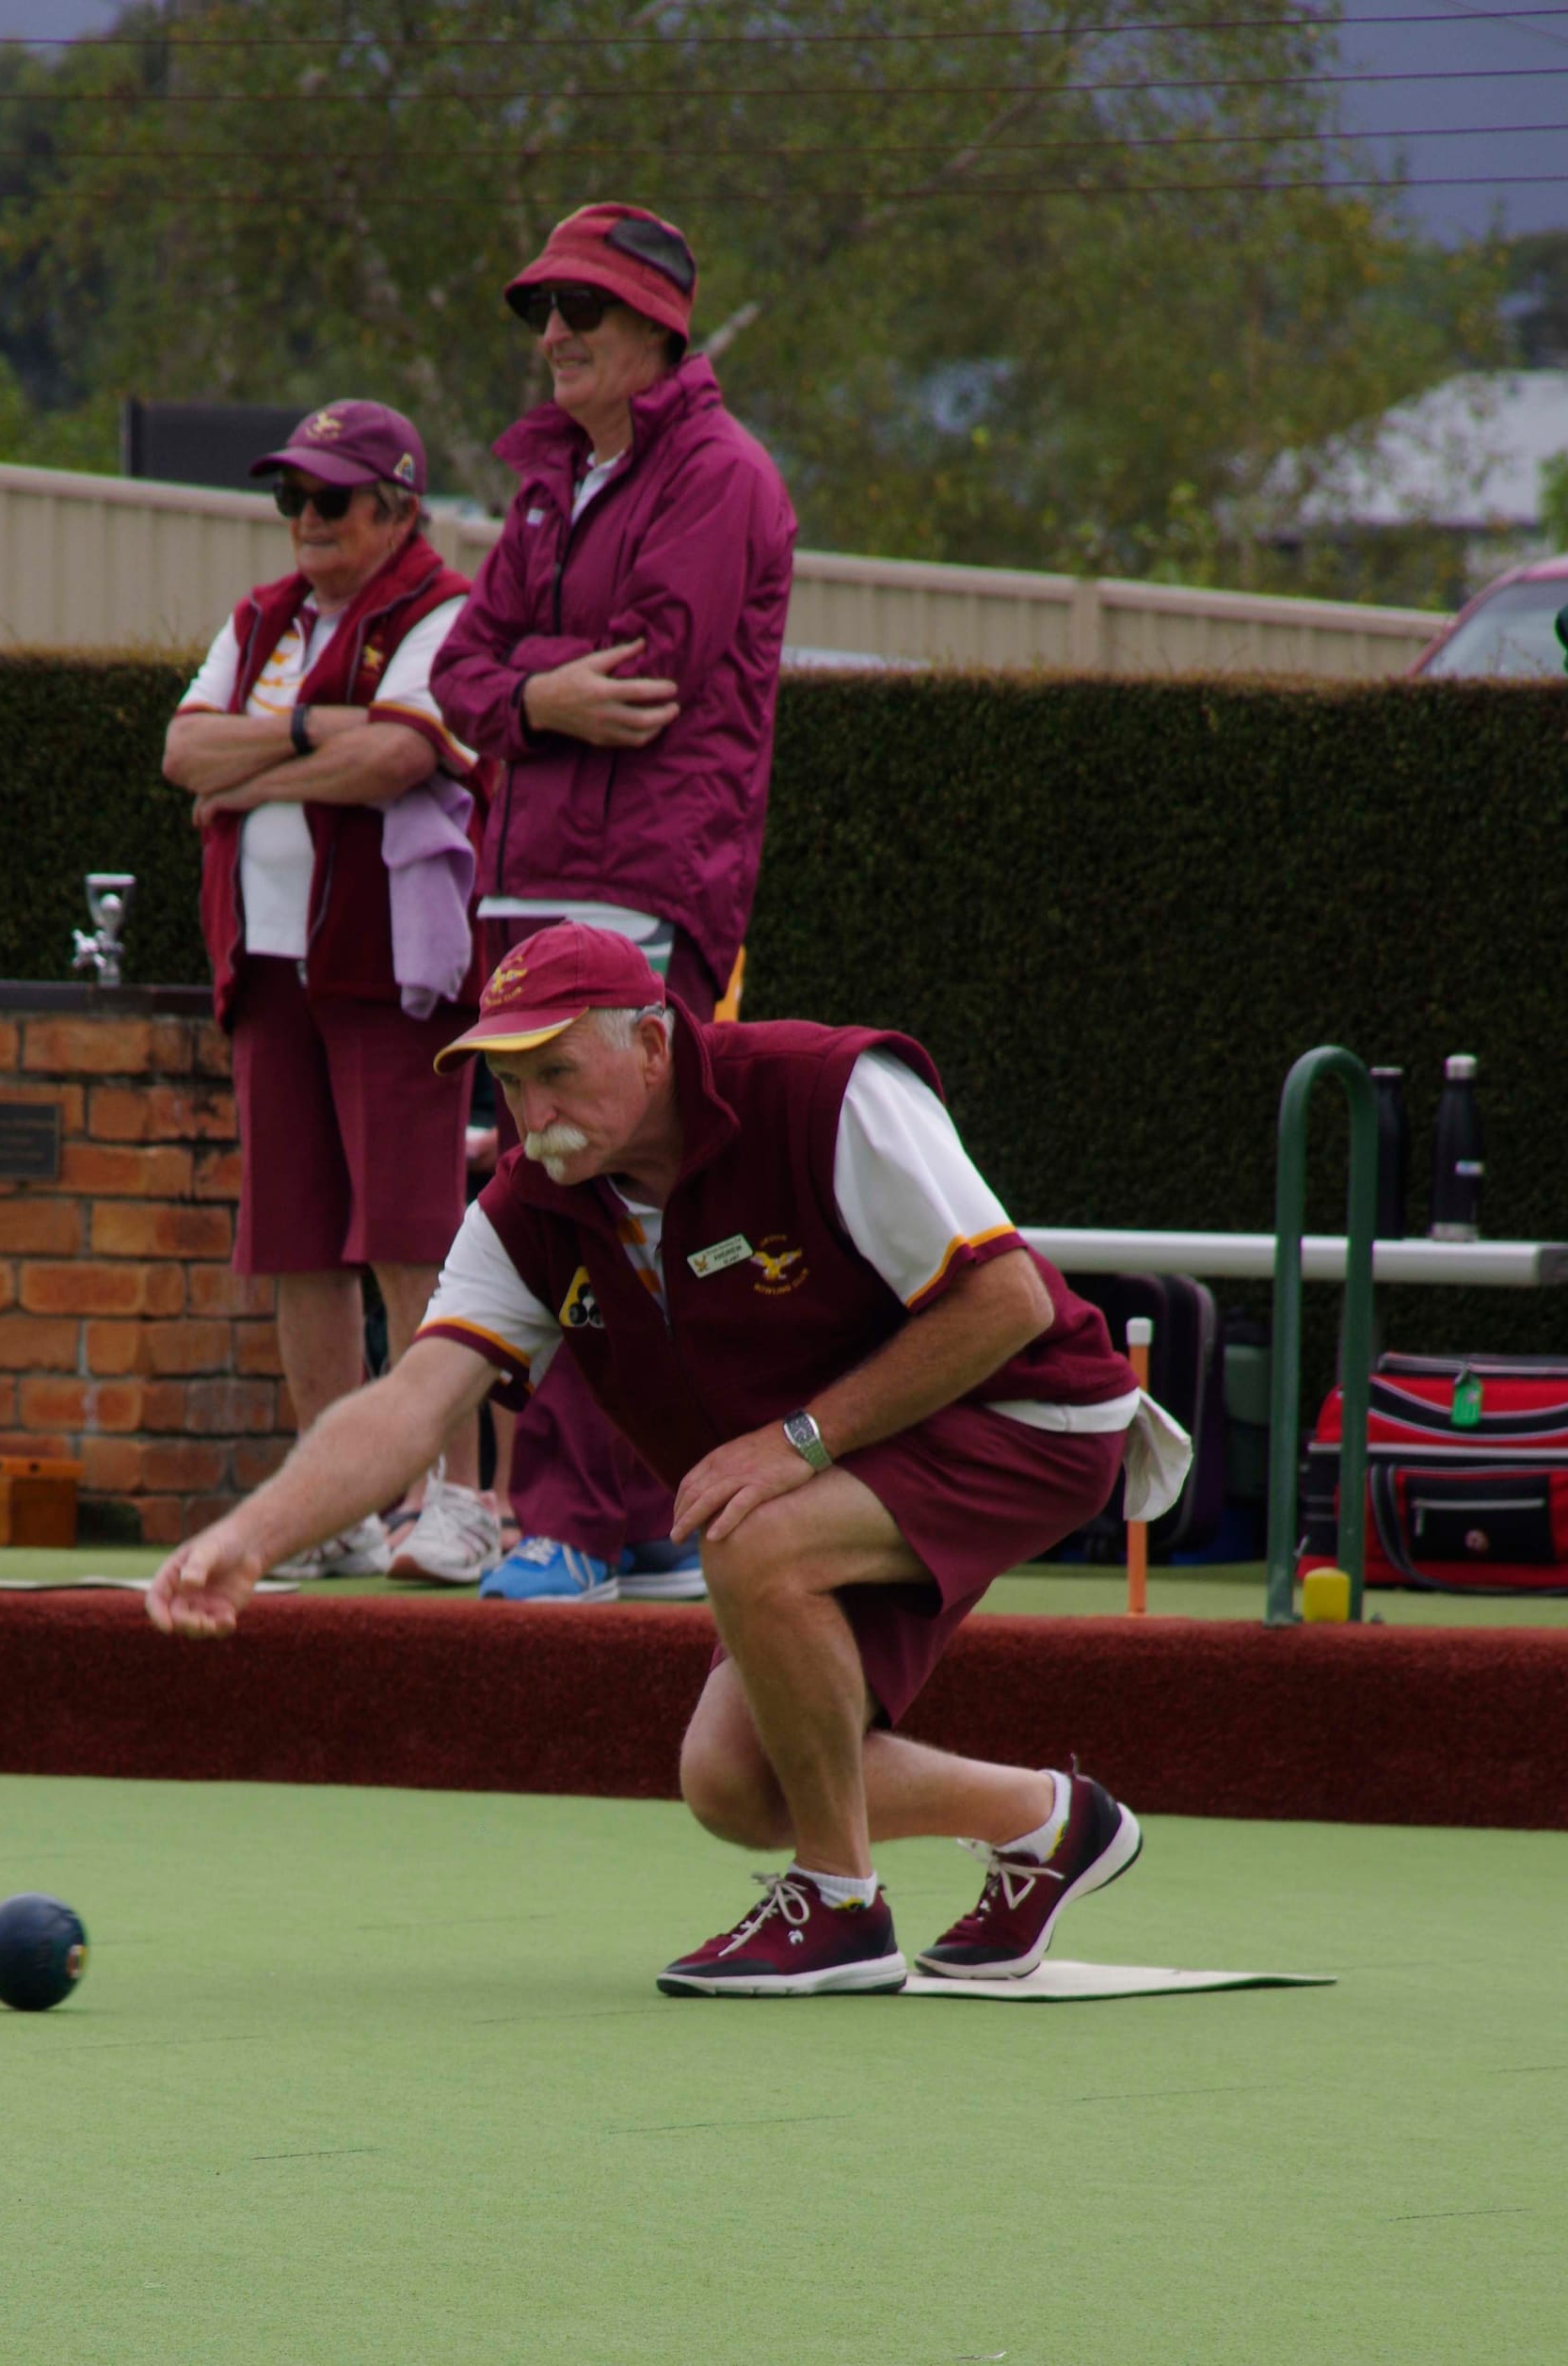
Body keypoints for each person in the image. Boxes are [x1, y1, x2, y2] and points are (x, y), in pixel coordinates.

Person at [147, 923, 1192, 1997]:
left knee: (754, 1534)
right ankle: (1051, 1825)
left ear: (652, 1045)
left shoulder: (825, 1091)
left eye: (556, 1070)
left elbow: (1007, 1301)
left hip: (1029, 1411)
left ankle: (840, 1905)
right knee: (730, 1783)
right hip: (845, 1458)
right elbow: (410, 1406)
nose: (533, 1114)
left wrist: (799, 1442)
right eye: (510, 1084)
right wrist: (248, 1537)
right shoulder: (527, 1214)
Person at [430, 200, 797, 1606]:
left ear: (661, 329)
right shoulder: (545, 485)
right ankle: (636, 1512)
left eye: (583, 307)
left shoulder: (723, 476)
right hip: (521, 888)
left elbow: (648, 676)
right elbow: (462, 672)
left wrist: (524, 683)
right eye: (542, 311)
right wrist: (534, 689)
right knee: (578, 1191)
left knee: (590, 1185)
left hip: (649, 886)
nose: (557, 334)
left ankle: (574, 1518)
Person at [164, 400, 500, 1588]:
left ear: (397, 508)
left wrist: (258, 760)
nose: (304, 520)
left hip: (386, 975)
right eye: (289, 498)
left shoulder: (441, 611)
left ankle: (455, 1497)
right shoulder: (260, 619)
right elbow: (182, 752)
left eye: (330, 499)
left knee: (413, 1239)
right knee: (297, 1243)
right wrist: (313, 729)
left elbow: (400, 756)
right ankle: (331, 1506)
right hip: (260, 970)